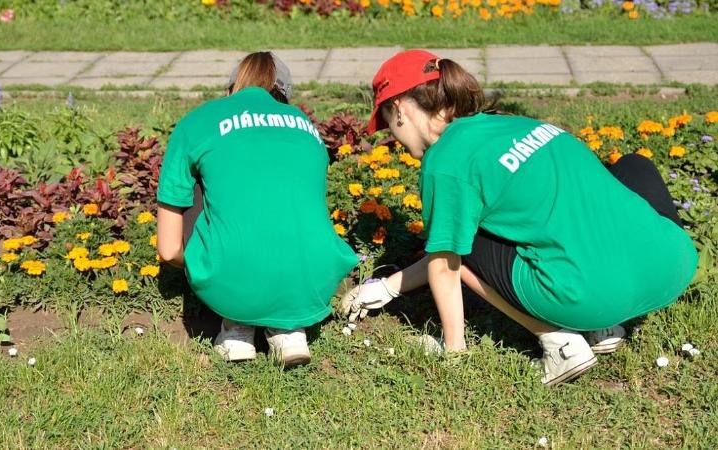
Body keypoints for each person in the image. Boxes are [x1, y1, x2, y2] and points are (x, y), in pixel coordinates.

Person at [340, 50, 698, 385]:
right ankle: (607, 326)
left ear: (399, 107)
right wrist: (387, 287)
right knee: (633, 166)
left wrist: (452, 351)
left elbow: (446, 261)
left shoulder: (445, 162)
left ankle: (560, 342)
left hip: (589, 297)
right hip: (673, 265)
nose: (392, 134)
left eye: (387, 121)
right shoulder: (512, 123)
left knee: (462, 240)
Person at [156, 52, 357, 368]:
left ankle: (237, 327)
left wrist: (201, 264)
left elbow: (168, 251)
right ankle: (288, 330)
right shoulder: (306, 125)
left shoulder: (199, 120)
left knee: (205, 184)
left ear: (232, 88)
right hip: (313, 278)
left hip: (229, 277)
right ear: (285, 98)